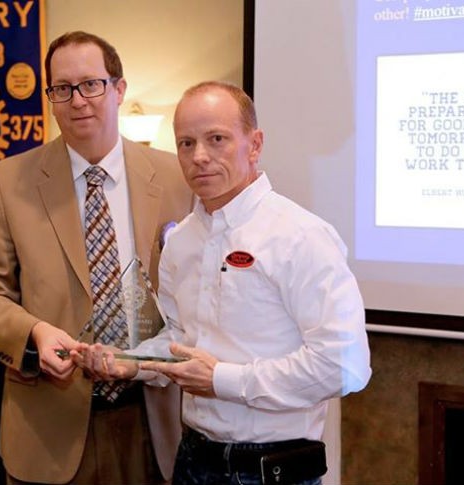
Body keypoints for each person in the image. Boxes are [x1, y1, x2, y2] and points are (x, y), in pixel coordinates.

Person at [76, 81, 372, 485]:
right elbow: (179, 339)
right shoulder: (180, 242)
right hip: (193, 457)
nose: (199, 157)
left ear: (255, 144)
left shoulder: (302, 236)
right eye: (185, 143)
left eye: (216, 139)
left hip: (273, 468)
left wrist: (222, 380)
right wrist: (131, 364)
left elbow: (344, 367)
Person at [0, 31, 192, 485]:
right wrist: (33, 332)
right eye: (62, 89)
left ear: (119, 89)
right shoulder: (9, 182)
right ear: (50, 96)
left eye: (92, 84)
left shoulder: (177, 177)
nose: (78, 100)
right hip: (48, 430)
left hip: (153, 424)